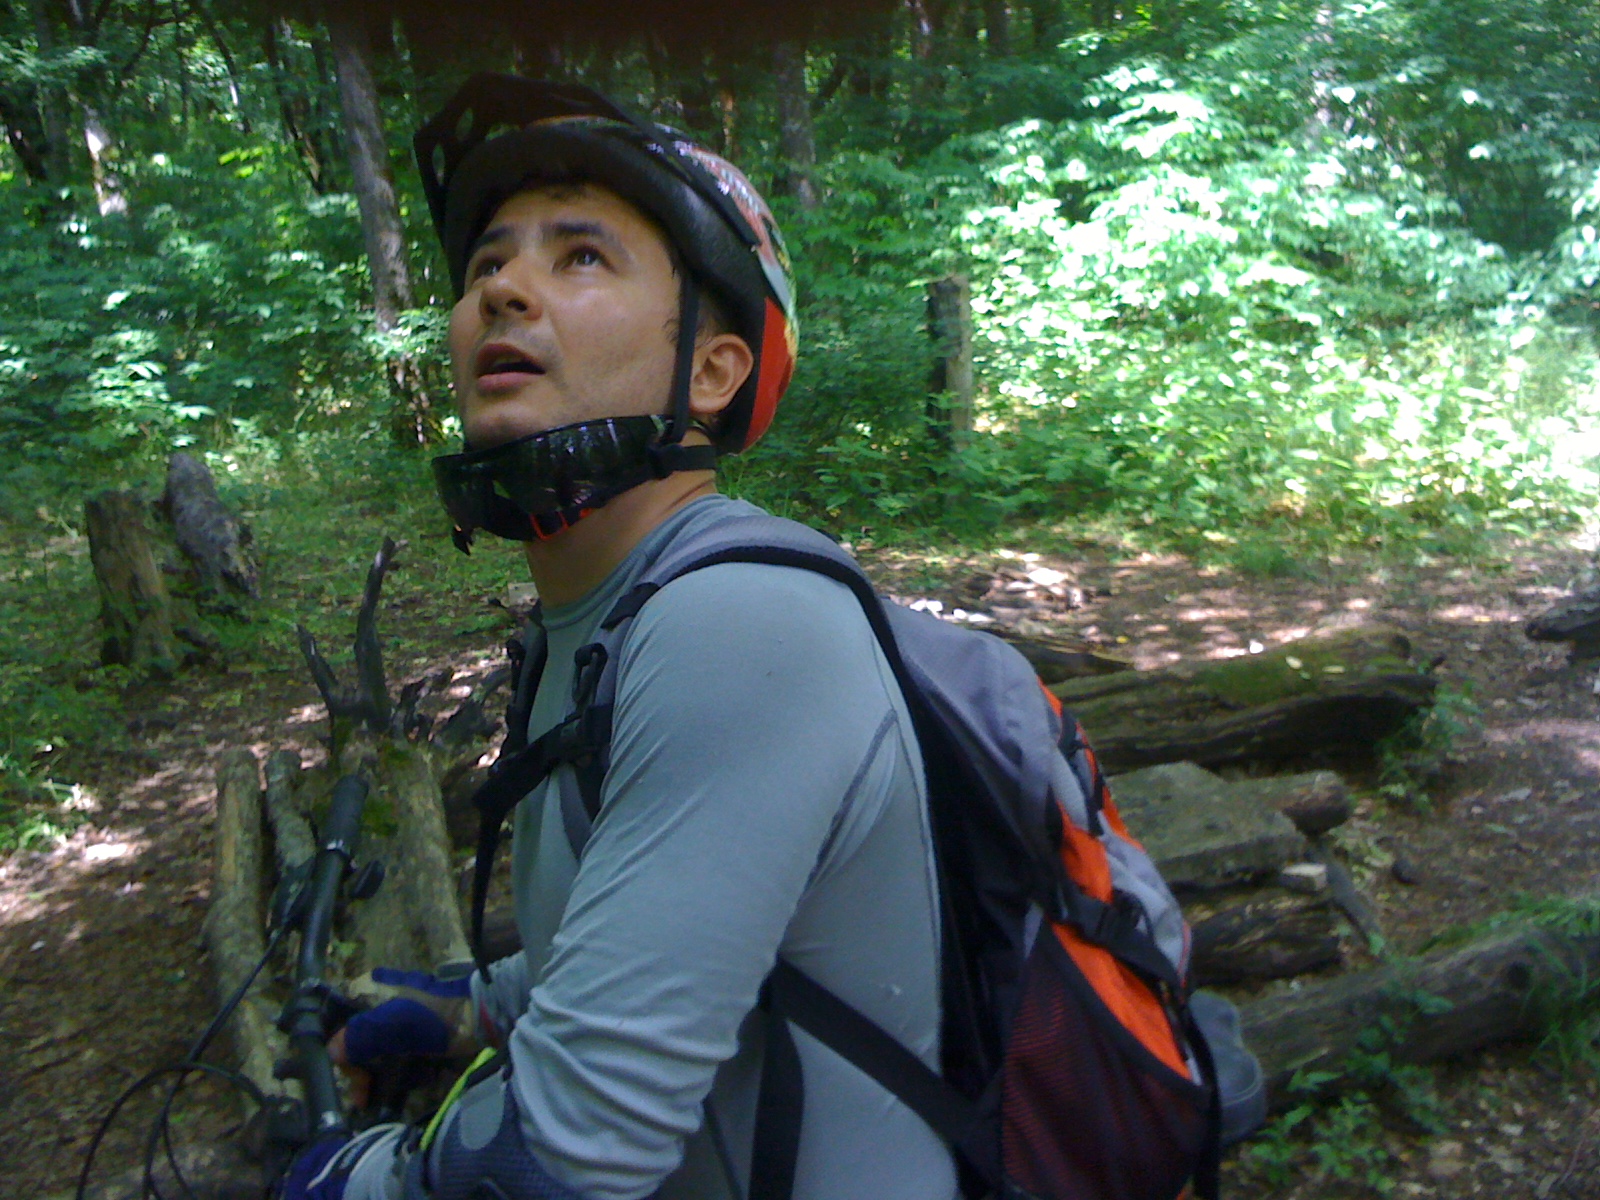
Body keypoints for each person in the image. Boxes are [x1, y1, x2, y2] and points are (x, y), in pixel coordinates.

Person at [281, 75, 955, 1200]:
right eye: (487, 264)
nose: (501, 291)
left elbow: (569, 1152)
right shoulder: (596, 622)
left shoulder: (738, 624)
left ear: (713, 370)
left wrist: (356, 1181)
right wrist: (474, 1007)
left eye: (580, 256)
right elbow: (648, 934)